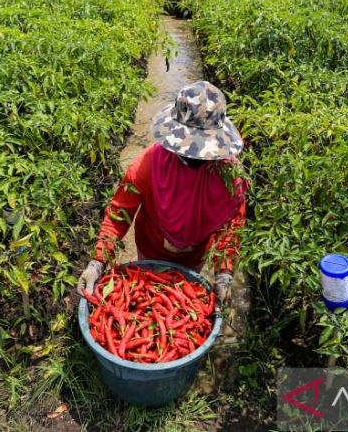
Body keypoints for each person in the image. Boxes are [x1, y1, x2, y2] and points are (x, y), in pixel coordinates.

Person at [77, 81, 247, 307]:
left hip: (194, 252)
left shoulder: (230, 178)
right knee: (146, 294)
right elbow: (119, 212)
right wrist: (98, 261)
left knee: (180, 298)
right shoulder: (150, 164)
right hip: (152, 244)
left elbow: (230, 227)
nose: (195, 156)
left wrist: (224, 273)